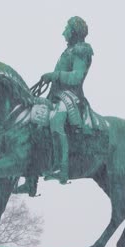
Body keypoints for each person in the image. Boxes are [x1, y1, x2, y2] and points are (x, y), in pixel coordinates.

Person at [40, 16, 94, 184]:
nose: (63, 33)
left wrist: (55, 75)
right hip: (56, 95)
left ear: (73, 32)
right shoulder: (68, 51)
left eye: (66, 29)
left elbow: (77, 77)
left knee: (56, 119)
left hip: (71, 97)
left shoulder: (81, 50)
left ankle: (61, 168)